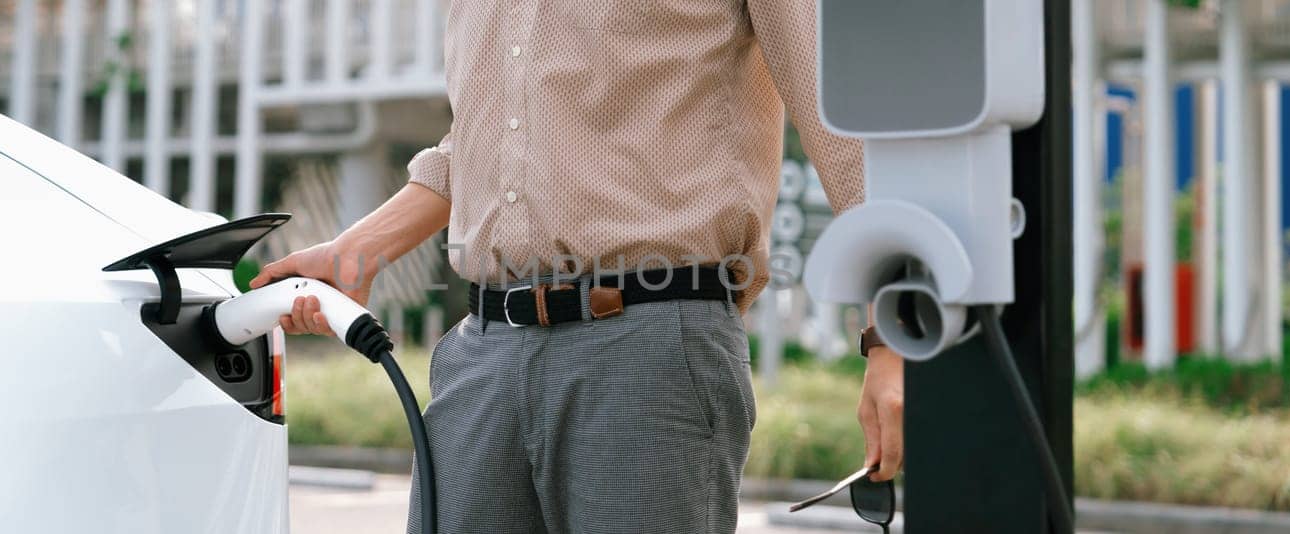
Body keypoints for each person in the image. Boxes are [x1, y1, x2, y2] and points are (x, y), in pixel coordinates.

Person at [251, 2, 903, 532]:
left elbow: (846, 127)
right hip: (482, 356)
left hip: (648, 349)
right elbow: (484, 140)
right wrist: (356, 252)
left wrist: (890, 339)